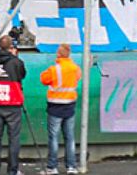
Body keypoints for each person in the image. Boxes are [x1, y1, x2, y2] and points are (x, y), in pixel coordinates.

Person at [0, 34, 27, 175]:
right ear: (11, 47)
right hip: (13, 104)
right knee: (14, 139)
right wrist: (14, 57)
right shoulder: (17, 62)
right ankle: (12, 170)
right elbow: (22, 75)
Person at [39, 43, 81, 175]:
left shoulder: (54, 69)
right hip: (70, 106)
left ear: (58, 54)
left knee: (54, 138)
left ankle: (52, 167)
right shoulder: (75, 68)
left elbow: (43, 79)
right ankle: (71, 167)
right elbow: (77, 77)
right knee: (70, 137)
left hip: (55, 107)